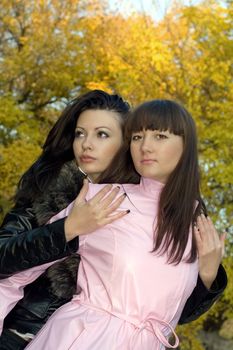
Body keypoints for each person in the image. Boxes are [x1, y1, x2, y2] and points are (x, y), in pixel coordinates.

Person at [0, 92, 226, 349]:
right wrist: (68, 229)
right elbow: (9, 271)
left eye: (103, 134)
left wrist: (207, 278)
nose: (145, 146)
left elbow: (170, 309)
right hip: (37, 334)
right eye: (138, 137)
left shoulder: (193, 220)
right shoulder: (96, 198)